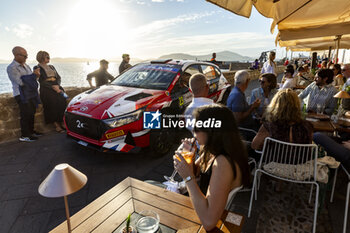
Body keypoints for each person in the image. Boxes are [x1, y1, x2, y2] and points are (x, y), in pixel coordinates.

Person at [173, 105, 250, 231]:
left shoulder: (223, 163)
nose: (193, 132)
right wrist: (190, 158)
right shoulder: (211, 149)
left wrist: (187, 177)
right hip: (199, 205)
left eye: (197, 128)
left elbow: (209, 222)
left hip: (204, 218)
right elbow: (197, 173)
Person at [7, 46, 42, 142]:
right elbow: (21, 82)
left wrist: (36, 76)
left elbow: (32, 79)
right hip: (21, 94)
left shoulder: (26, 66)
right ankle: (25, 135)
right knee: (25, 114)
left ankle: (31, 131)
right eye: (25, 56)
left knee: (31, 113)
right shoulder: (11, 68)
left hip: (31, 93)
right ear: (17, 55)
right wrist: (33, 76)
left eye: (27, 56)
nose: (26, 58)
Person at [36, 51, 67, 132]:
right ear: (42, 57)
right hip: (46, 88)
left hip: (56, 85)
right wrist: (53, 87)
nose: (49, 58)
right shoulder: (37, 67)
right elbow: (41, 81)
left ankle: (62, 122)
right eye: (47, 57)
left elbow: (58, 77)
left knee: (62, 102)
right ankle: (56, 125)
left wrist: (58, 86)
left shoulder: (52, 66)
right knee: (51, 105)